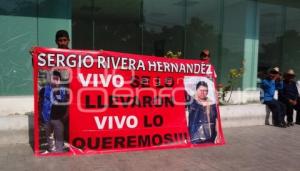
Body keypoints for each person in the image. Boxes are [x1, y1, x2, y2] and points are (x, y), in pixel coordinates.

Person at [39, 70, 68, 152]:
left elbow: (64, 101)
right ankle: (51, 148)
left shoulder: (63, 89)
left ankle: (59, 148)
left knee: (59, 133)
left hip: (58, 117)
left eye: (57, 78)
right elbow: (40, 102)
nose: (55, 80)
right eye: (53, 78)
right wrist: (40, 115)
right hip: (47, 115)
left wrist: (58, 88)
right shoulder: (44, 90)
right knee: (49, 134)